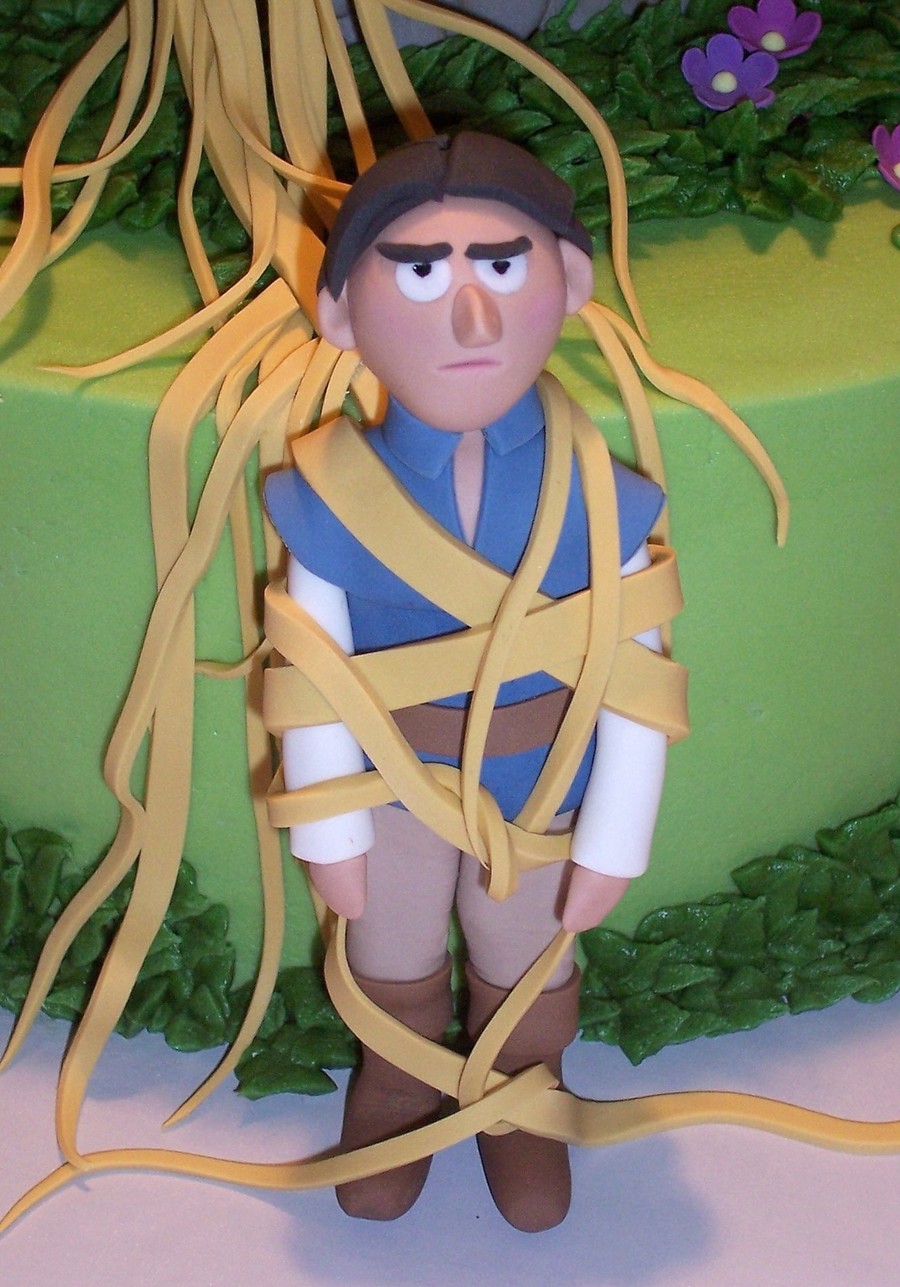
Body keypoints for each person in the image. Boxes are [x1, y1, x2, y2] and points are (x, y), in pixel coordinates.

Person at [264, 131, 678, 1231]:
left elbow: (639, 679)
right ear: (340, 311)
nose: (473, 317)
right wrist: (329, 827)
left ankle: (517, 1097)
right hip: (392, 786)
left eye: (501, 265)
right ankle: (398, 1084)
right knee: (390, 949)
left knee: (526, 958)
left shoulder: (603, 497)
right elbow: (311, 672)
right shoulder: (329, 493)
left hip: (542, 793)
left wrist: (615, 837)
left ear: (570, 283)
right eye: (418, 273)